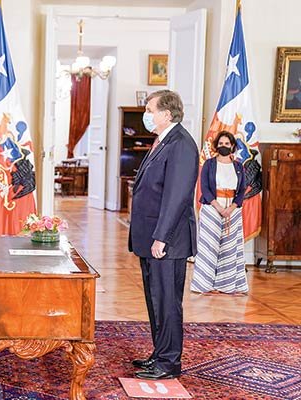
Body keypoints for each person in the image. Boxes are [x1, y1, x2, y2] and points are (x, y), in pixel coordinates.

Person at [128, 90, 199, 380]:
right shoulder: (164, 140)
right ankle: (159, 354)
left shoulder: (181, 144)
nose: (147, 115)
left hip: (166, 240)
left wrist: (162, 237)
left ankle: (169, 363)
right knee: (156, 299)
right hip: (151, 237)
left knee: (167, 301)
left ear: (166, 114)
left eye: (150, 109)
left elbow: (176, 197)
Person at [191, 131, 248, 294]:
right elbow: (205, 188)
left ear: (232, 146)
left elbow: (242, 190)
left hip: (233, 210)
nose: (224, 146)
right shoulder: (209, 164)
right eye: (221, 144)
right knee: (209, 246)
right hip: (211, 208)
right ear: (217, 146)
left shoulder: (238, 166)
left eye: (227, 144)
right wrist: (219, 207)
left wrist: (231, 208)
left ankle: (227, 285)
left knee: (229, 248)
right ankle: (204, 284)